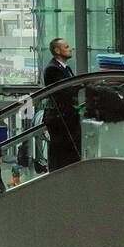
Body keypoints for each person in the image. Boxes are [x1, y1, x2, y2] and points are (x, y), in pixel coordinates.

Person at [43, 38, 82, 171]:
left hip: (69, 117)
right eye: (66, 47)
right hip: (60, 119)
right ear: (57, 51)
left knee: (72, 151)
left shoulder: (66, 68)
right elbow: (64, 92)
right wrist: (82, 85)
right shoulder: (53, 69)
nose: (70, 49)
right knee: (62, 152)